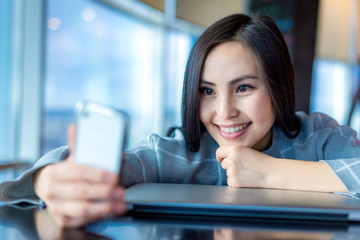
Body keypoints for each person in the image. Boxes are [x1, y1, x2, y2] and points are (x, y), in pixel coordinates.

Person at [1, 13, 360, 228]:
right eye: (207, 91)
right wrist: (50, 178)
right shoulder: (177, 154)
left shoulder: (318, 137)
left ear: (278, 85)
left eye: (244, 88)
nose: (224, 111)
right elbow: (97, 171)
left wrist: (270, 173)